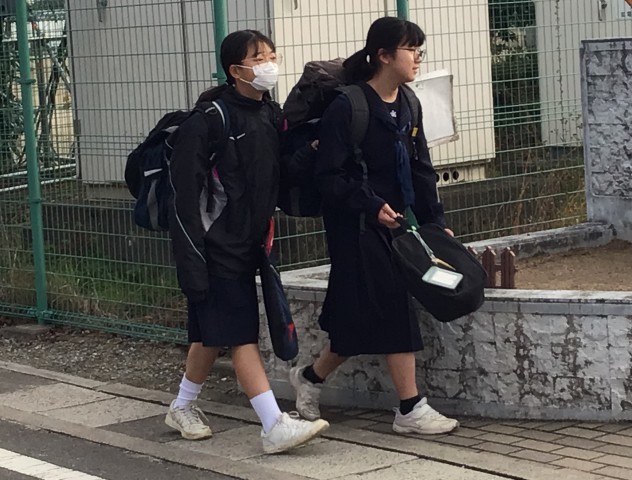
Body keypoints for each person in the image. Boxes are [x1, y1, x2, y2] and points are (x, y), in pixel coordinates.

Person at [289, 17, 459, 435]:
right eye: (410, 49)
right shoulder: (348, 106)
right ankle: (410, 409)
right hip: (355, 227)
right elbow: (329, 176)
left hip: (396, 224)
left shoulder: (409, 103)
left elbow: (422, 169)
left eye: (420, 49)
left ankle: (309, 377)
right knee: (394, 304)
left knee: (359, 319)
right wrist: (369, 203)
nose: (418, 57)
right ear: (383, 55)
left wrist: (435, 224)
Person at [164, 29, 329, 454]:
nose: (269, 64)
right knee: (240, 334)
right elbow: (183, 200)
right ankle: (273, 425)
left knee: (213, 329)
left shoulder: (269, 114)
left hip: (252, 243)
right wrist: (191, 262)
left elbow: (279, 174)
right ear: (236, 70)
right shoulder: (208, 121)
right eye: (258, 58)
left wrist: (312, 148)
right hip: (214, 248)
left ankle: (181, 406)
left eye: (272, 54)